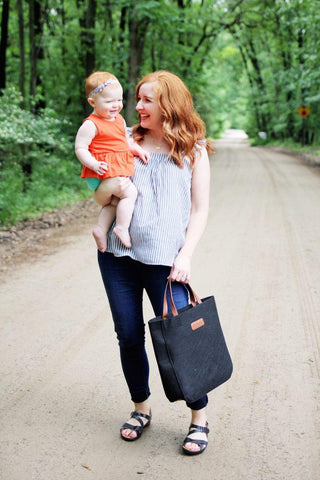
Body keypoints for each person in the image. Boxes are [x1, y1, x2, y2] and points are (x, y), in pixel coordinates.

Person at [97, 70, 214, 455]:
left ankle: (199, 418)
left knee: (181, 340)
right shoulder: (125, 139)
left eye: (146, 100)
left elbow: (199, 211)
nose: (137, 106)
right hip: (118, 256)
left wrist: (186, 255)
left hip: (166, 263)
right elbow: (101, 198)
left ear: (169, 104)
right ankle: (141, 408)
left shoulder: (193, 149)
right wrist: (108, 186)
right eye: (137, 98)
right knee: (128, 335)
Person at [75, 71, 149, 252]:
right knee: (130, 192)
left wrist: (136, 149)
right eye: (109, 102)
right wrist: (93, 164)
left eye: (119, 100)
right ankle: (122, 227)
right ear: (92, 102)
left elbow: (124, 141)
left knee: (115, 202)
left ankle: (101, 229)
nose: (116, 105)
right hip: (101, 170)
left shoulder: (118, 120)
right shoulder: (91, 124)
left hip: (113, 168)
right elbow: (80, 148)